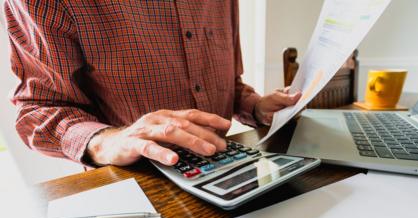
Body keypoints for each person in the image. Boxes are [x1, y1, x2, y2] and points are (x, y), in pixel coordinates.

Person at [4, 0, 301, 167]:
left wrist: (256, 106)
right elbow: (40, 108)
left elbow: (229, 83)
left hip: (229, 169)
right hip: (135, 186)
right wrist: (109, 140)